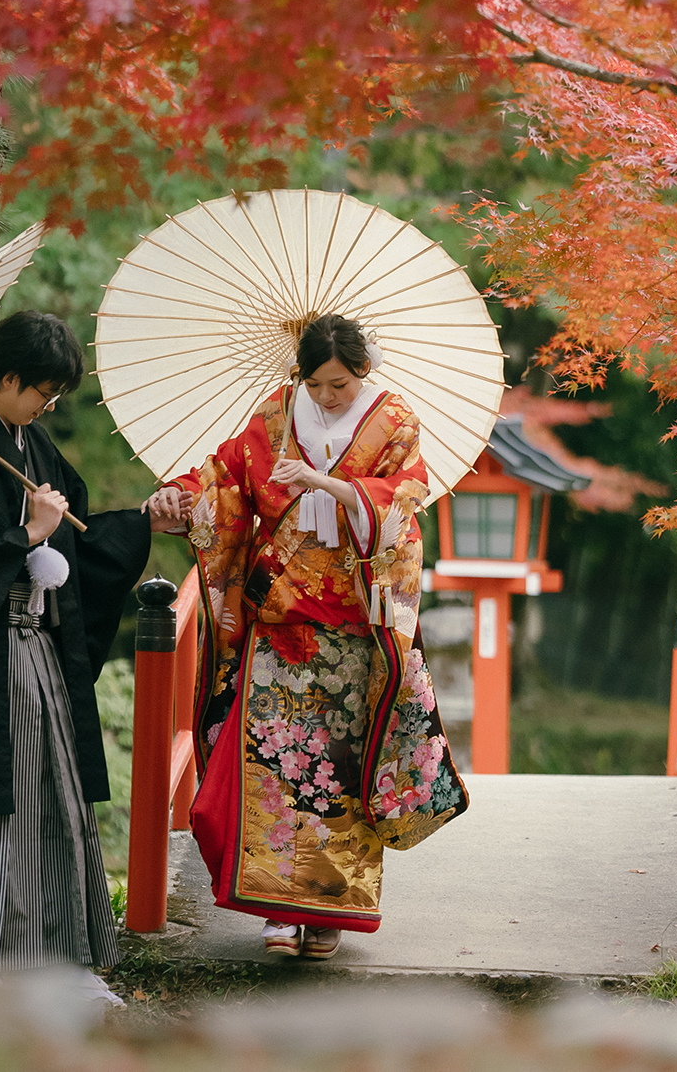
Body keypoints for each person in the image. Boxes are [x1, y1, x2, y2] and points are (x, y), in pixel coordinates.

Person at [0, 308, 186, 981]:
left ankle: (40, 960)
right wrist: (24, 537)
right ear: (10, 375)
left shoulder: (30, 443)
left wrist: (141, 523)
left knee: (45, 802)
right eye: (43, 391)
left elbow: (74, 538)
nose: (48, 404)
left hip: (35, 661)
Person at [167, 313, 468, 961]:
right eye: (318, 382)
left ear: (364, 372)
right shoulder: (274, 415)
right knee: (274, 764)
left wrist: (328, 484)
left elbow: (404, 504)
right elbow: (224, 480)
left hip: (352, 627)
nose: (329, 396)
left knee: (340, 772)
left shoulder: (395, 423)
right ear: (298, 373)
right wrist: (180, 496)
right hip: (278, 622)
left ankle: (331, 911)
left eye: (342, 384)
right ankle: (276, 909)